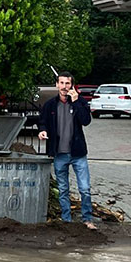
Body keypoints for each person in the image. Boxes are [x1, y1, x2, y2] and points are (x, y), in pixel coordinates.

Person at [38, 71, 96, 230]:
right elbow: (42, 122)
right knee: (63, 189)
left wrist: (76, 102)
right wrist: (42, 131)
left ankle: (87, 219)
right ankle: (66, 221)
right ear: (57, 85)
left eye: (67, 83)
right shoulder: (50, 105)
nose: (64, 87)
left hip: (78, 153)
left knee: (84, 189)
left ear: (72, 85)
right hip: (59, 154)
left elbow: (86, 121)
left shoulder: (80, 102)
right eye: (61, 83)